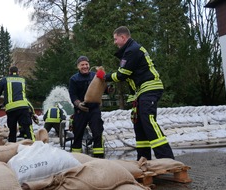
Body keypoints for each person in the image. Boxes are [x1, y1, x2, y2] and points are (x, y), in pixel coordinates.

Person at [96, 26, 175, 160]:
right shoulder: (130, 50)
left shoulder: (132, 51)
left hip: (149, 88)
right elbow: (131, 77)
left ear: (123, 37)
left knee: (147, 119)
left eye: (115, 39)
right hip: (141, 91)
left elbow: (122, 75)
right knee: (139, 124)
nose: (114, 42)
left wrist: (104, 76)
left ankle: (166, 158)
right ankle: (143, 159)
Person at [68, 55, 105, 158]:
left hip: (94, 109)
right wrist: (78, 104)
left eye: (86, 64)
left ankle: (99, 157)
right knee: (78, 134)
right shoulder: (74, 79)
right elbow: (72, 94)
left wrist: (110, 88)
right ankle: (76, 157)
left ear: (89, 65)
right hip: (80, 111)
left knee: (97, 133)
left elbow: (104, 88)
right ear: (78, 67)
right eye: (82, 65)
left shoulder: (96, 76)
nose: (85, 66)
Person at [0, 66, 35, 142]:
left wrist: (0, 100)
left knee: (12, 130)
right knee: (28, 128)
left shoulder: (5, 80)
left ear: (9, 72)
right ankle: (33, 146)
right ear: (18, 72)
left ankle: (12, 147)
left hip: (11, 109)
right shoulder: (23, 80)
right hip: (23, 107)